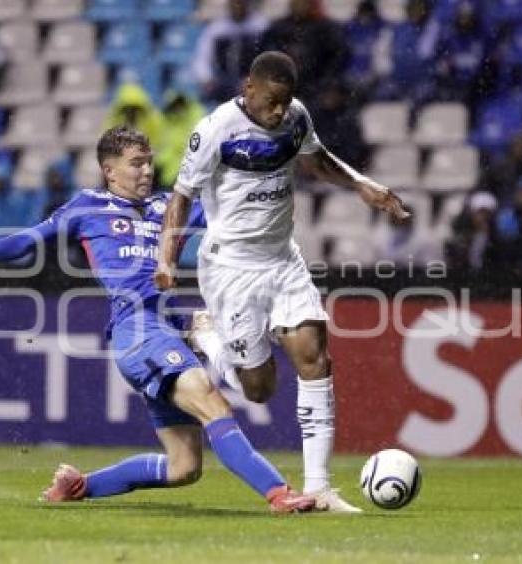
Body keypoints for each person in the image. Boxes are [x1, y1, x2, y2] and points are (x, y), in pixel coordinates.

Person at [0, 126, 315, 514]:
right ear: (109, 170)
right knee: (211, 400)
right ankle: (279, 493)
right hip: (138, 330)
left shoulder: (166, 208)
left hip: (169, 328)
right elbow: (23, 242)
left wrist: (267, 187)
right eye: (136, 163)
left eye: (149, 162)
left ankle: (80, 487)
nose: (147, 170)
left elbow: (229, 217)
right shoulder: (86, 208)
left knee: (184, 467)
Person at [155, 51, 408, 513]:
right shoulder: (214, 131)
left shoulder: (294, 116)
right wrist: (167, 259)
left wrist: (363, 185)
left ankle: (319, 488)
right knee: (258, 389)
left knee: (315, 357)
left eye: (285, 102)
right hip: (232, 270)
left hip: (283, 261)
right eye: (271, 101)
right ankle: (208, 334)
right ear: (248, 87)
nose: (278, 111)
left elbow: (317, 159)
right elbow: (181, 196)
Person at [192, 0, 268, 105]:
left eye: (241, 3)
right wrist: (206, 78)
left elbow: (268, 58)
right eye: (235, 3)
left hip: (251, 81)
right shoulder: (216, 29)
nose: (238, 6)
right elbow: (202, 57)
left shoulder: (261, 27)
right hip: (223, 81)